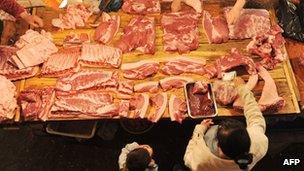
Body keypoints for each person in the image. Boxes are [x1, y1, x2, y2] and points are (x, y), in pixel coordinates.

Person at [184, 77, 268, 171]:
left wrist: (200, 130)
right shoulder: (259, 142)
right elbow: (255, 116)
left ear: (218, 145)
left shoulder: (201, 161)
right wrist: (242, 88)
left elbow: (187, 157)